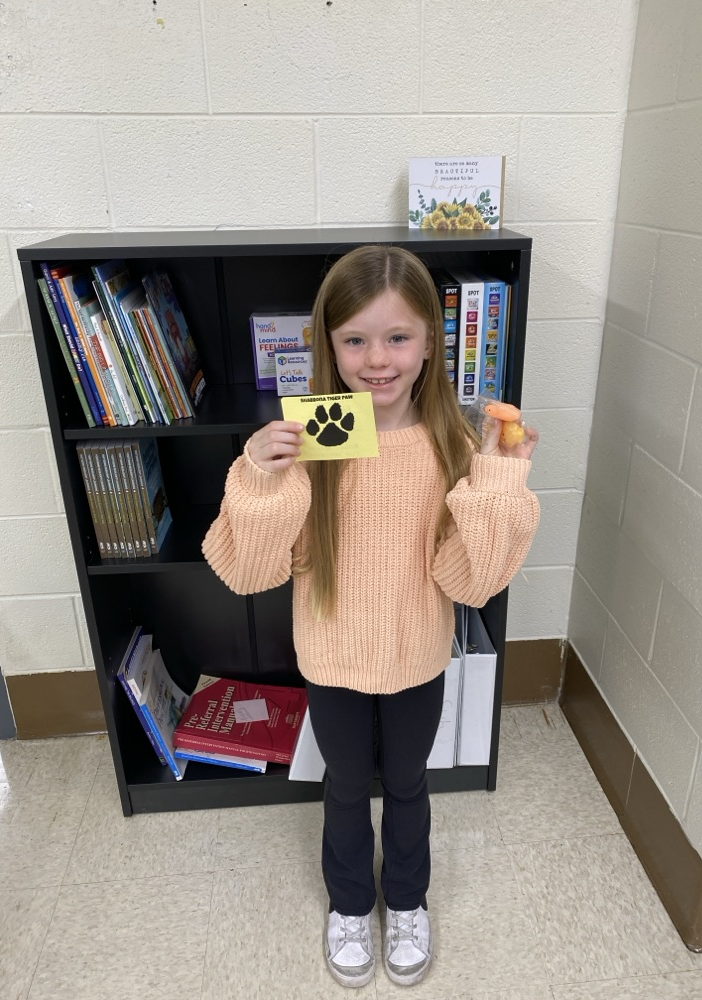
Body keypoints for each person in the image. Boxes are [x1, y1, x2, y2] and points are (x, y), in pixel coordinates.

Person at [202, 245, 540, 989]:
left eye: (398, 337)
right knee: (348, 784)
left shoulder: (453, 441)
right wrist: (259, 474)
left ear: (430, 344)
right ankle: (351, 904)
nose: (378, 359)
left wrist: (497, 480)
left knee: (410, 782)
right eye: (355, 339)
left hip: (417, 653)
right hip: (334, 658)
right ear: (328, 344)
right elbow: (250, 570)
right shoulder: (317, 439)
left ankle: (408, 899)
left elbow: (471, 579)